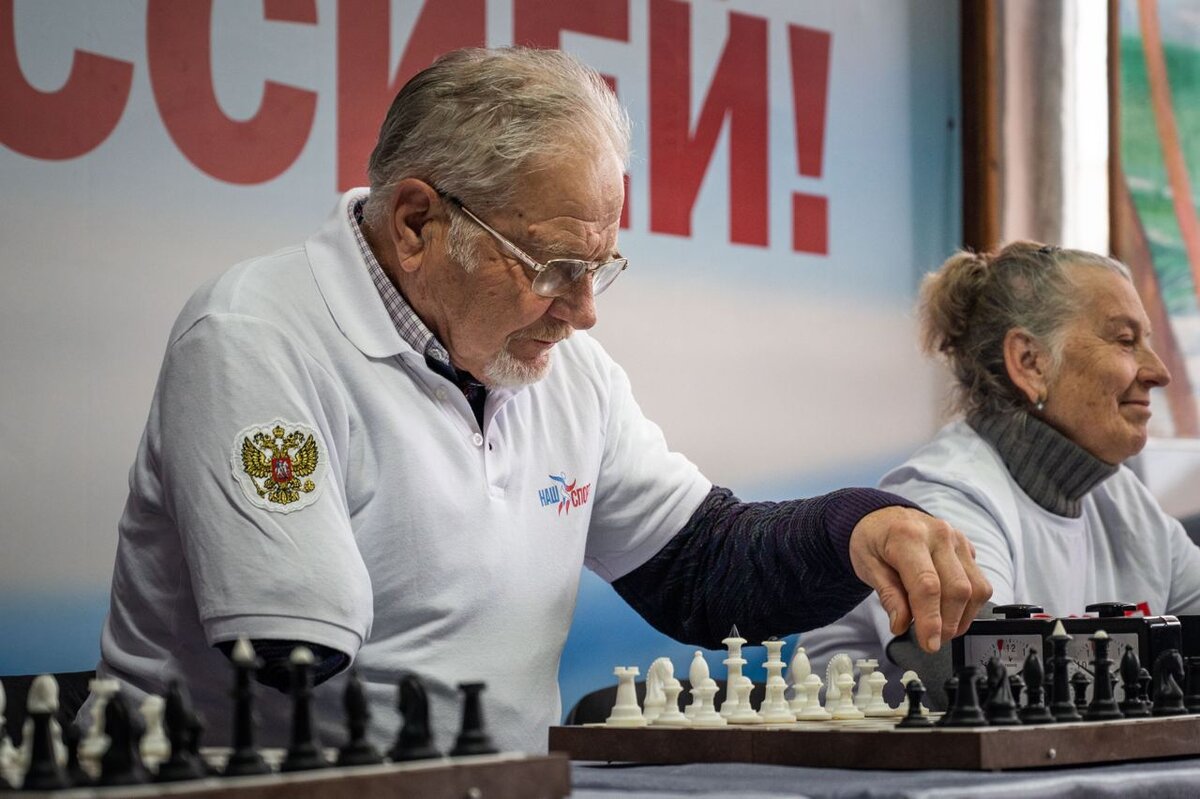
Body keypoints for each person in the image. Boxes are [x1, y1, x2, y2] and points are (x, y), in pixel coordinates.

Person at [85, 47, 988, 753]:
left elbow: (701, 569)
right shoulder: (254, 336)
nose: (584, 310)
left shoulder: (564, 373)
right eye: (554, 267)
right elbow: (291, 651)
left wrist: (855, 529)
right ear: (415, 225)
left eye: (599, 268)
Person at [802, 241, 1200, 697]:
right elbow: (995, 687)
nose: (1158, 372)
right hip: (873, 769)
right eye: (1126, 341)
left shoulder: (1122, 498)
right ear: (1030, 363)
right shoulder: (942, 498)